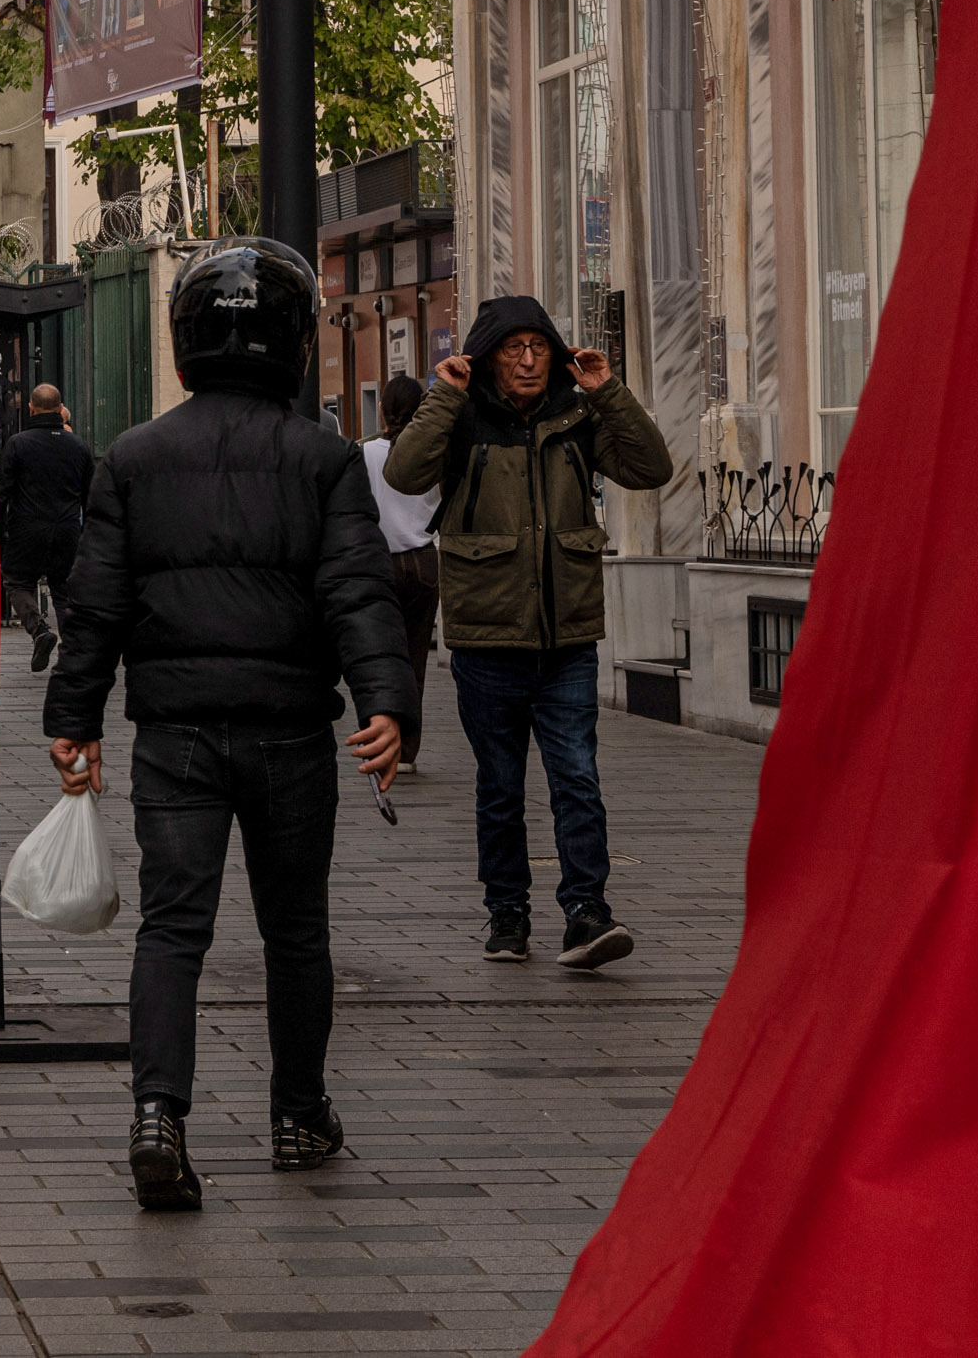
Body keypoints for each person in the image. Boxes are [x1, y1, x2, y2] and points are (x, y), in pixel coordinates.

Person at [41, 239, 412, 1214]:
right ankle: (297, 1111)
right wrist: (386, 699)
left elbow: (96, 605)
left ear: (183, 347)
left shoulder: (131, 457)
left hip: (176, 732)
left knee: (173, 928)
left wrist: (71, 717)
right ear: (295, 344)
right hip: (290, 728)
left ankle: (158, 1111)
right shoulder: (324, 459)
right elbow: (356, 590)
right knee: (294, 928)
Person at [384, 295, 675, 970]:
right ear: (486, 355)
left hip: (566, 636)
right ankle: (507, 913)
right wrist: (443, 395)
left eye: (538, 346)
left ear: (554, 351)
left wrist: (608, 391)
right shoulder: (462, 419)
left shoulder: (575, 418)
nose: (526, 359)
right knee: (500, 784)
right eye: (512, 347)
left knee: (577, 773)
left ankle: (586, 912)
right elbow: (403, 474)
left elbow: (652, 467)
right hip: (488, 639)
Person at [364, 375, 440, 769]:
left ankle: (380, 742)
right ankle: (407, 751)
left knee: (379, 657)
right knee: (415, 659)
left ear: (381, 408)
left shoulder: (363, 454)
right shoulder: (431, 451)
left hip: (379, 563)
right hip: (424, 560)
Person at [0, 386, 96, 673]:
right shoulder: (78, 446)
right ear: (60, 408)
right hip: (66, 530)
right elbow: (91, 495)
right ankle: (73, 652)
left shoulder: (18, 444)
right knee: (64, 590)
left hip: (26, 529)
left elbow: (3, 491)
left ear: (30, 408)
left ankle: (39, 630)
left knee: (18, 582)